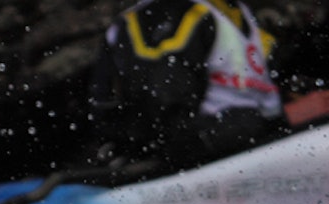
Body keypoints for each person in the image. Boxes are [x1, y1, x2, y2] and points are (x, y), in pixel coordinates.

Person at [89, 0, 290, 171]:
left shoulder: (236, 11)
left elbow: (261, 96)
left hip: (247, 148)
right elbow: (167, 133)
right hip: (188, 172)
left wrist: (291, 112)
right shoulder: (167, 16)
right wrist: (276, 122)